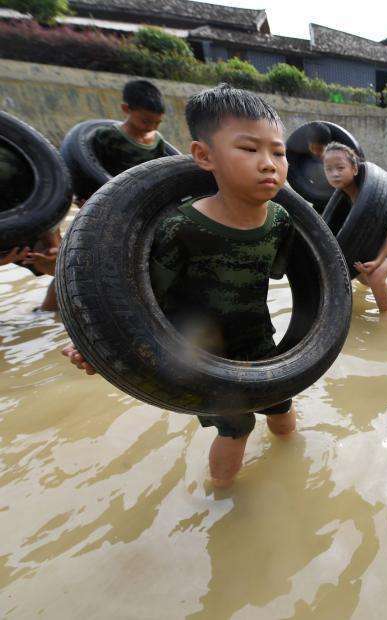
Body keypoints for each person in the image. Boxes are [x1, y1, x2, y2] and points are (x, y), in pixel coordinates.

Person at [63, 84, 297, 488]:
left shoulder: (280, 221)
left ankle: (294, 467)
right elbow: (136, 299)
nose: (268, 164)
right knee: (235, 427)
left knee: (282, 406)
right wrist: (95, 342)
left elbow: (278, 273)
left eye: (278, 152)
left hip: (257, 340)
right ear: (204, 156)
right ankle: (222, 500)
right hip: (199, 352)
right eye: (248, 149)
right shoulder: (181, 228)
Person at [322, 142, 387, 314]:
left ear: (355, 169)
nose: (334, 173)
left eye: (340, 167)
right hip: (377, 239)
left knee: (375, 275)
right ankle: (380, 289)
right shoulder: (342, 200)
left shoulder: (369, 199)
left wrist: (377, 262)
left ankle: (386, 317)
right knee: (358, 270)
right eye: (329, 169)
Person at [0, 143, 61, 311]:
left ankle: (45, 317)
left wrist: (53, 246)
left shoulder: (11, 154)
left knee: (66, 265)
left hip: (20, 218)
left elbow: (45, 200)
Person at [91, 79, 169, 178]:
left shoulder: (158, 142)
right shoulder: (108, 137)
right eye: (145, 122)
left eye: (157, 123)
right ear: (126, 109)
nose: (151, 127)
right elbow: (94, 168)